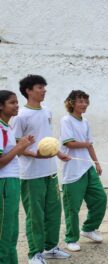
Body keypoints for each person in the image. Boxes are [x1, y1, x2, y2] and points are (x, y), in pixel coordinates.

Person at [12, 75, 71, 264]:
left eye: (44, 87)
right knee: (35, 215)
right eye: (39, 87)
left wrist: (59, 153)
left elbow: (47, 138)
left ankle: (51, 247)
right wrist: (35, 154)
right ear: (28, 90)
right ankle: (34, 253)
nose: (44, 90)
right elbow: (16, 145)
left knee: (54, 211)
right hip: (31, 174)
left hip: (50, 170)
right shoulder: (21, 116)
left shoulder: (47, 111)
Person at [60, 90, 107, 252]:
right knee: (72, 207)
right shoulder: (66, 120)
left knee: (100, 199)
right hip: (73, 171)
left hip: (87, 168)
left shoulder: (85, 122)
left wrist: (97, 163)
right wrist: (85, 144)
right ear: (72, 102)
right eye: (80, 101)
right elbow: (69, 143)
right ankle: (71, 239)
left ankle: (89, 228)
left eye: (86, 101)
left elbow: (89, 144)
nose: (84, 104)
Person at [0, 90, 34, 264]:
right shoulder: (0, 129)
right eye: (12, 102)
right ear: (1, 106)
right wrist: (19, 147)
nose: (17, 105)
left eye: (16, 102)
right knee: (4, 231)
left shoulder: (8, 127)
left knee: (12, 229)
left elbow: (13, 153)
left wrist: (24, 146)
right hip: (4, 183)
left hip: (11, 181)